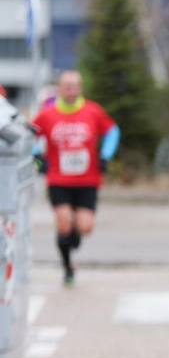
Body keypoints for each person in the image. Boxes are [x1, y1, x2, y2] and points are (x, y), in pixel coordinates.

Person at [30, 70, 120, 286]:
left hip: (87, 180)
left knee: (85, 227)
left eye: (74, 85)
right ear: (59, 89)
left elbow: (113, 131)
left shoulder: (93, 111)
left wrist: (105, 156)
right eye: (66, 85)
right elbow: (29, 135)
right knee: (63, 223)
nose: (70, 89)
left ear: (80, 88)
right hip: (58, 180)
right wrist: (37, 158)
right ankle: (67, 267)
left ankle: (74, 235)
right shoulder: (47, 114)